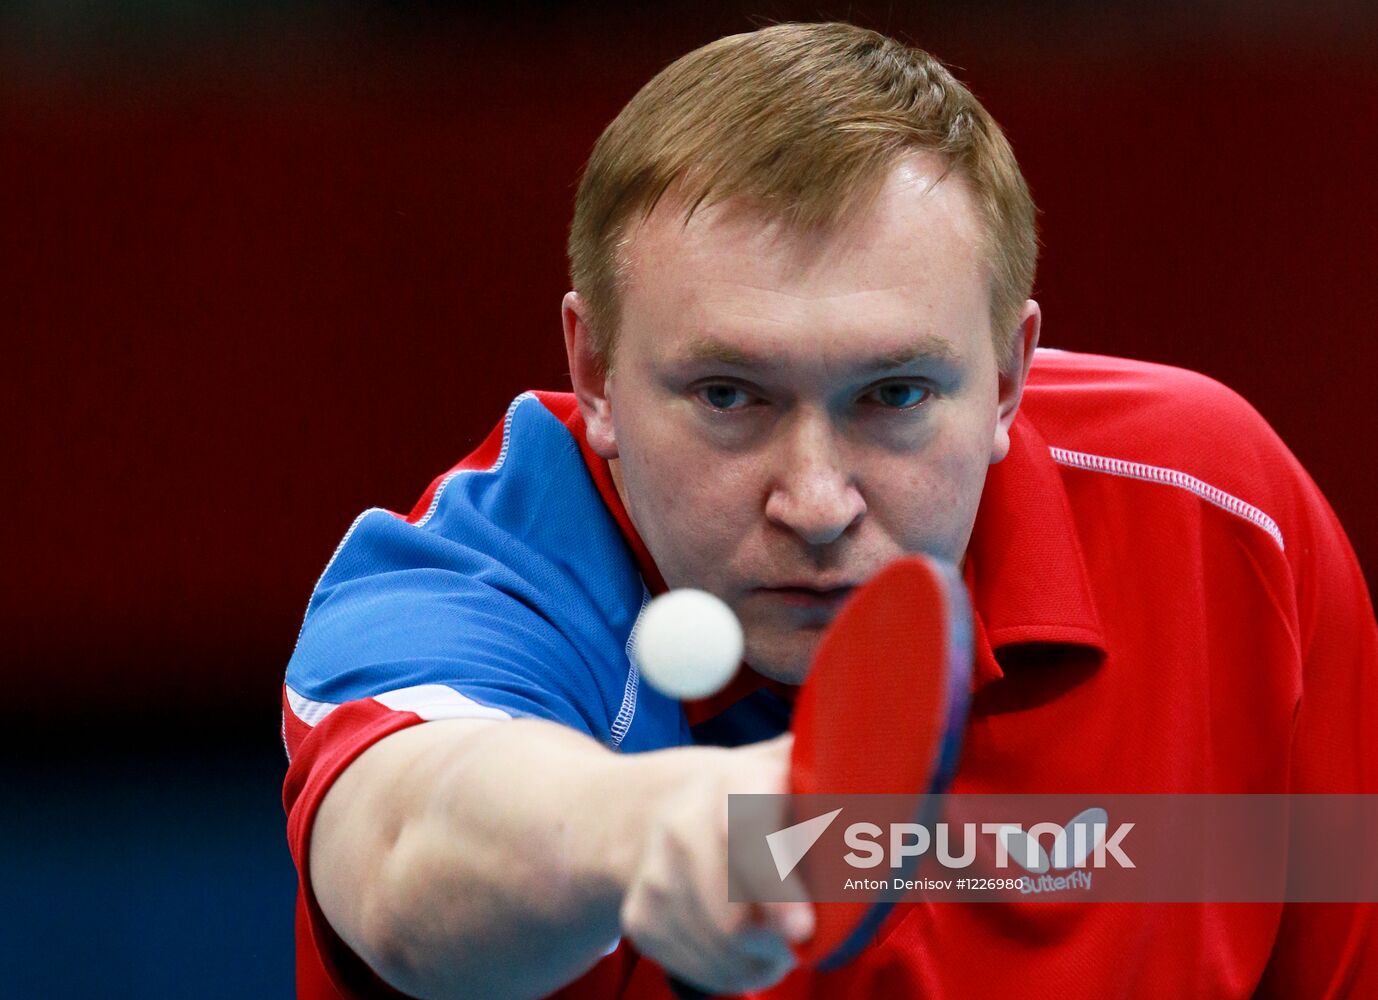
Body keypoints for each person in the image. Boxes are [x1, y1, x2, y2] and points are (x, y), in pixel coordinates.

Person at [282, 21, 1378, 999]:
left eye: (894, 395)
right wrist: (654, 826)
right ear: (598, 372)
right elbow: (402, 854)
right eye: (728, 395)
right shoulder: (471, 592)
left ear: (1006, 379)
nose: (814, 501)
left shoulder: (1221, 520)